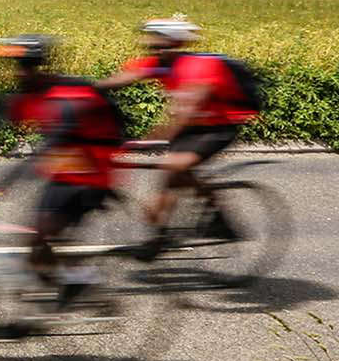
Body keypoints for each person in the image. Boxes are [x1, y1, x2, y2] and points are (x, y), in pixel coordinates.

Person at [0, 34, 128, 339]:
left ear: (36, 67)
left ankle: (79, 283)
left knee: (41, 233)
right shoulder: (25, 97)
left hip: (93, 170)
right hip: (64, 169)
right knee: (35, 243)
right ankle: (35, 311)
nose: (17, 72)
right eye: (16, 66)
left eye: (23, 66)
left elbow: (38, 157)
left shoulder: (65, 98)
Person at [97, 18, 258, 257]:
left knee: (177, 167)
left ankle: (218, 214)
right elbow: (119, 80)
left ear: (176, 44)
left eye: (159, 45)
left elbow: (185, 112)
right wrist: (82, 90)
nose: (154, 50)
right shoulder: (159, 63)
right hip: (191, 126)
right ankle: (159, 237)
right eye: (150, 46)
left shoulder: (200, 67)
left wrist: (148, 141)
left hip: (220, 125)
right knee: (169, 179)